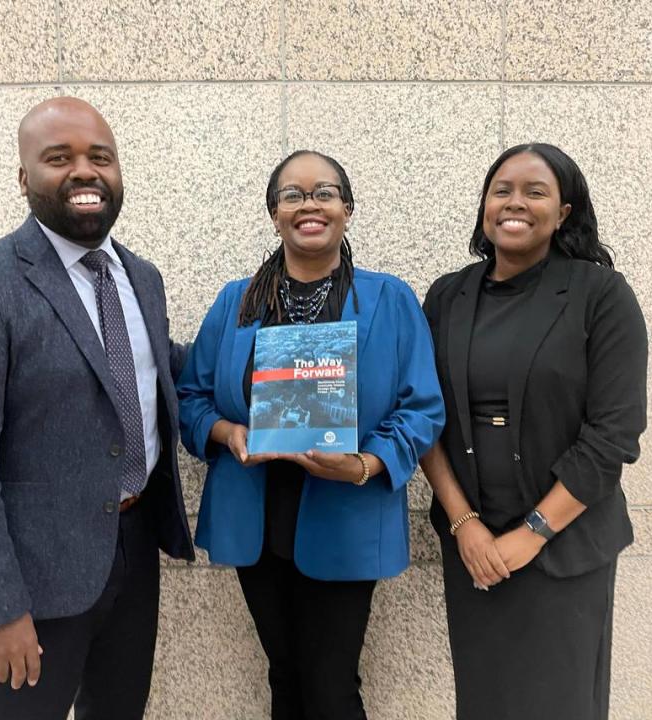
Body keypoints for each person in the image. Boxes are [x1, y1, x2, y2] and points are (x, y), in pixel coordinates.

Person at [0, 97, 193, 720]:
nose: (84, 172)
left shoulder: (141, 276)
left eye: (100, 157)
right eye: (58, 158)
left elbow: (161, 367)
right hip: (32, 576)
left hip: (134, 544)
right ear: (24, 178)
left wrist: (280, 364)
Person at [177, 150, 445, 719]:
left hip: (346, 514)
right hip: (256, 518)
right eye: (292, 195)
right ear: (275, 214)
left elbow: (421, 408)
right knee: (284, 676)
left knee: (330, 688)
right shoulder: (235, 302)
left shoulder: (389, 298)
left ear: (347, 209)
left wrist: (367, 464)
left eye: (324, 192)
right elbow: (192, 399)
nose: (309, 204)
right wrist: (228, 433)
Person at [420, 143, 648, 719]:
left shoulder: (602, 296)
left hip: (564, 550)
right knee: (485, 703)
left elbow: (613, 436)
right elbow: (425, 416)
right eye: (502, 191)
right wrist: (464, 523)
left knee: (558, 705)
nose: (514, 203)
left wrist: (532, 533)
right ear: (484, 206)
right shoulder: (449, 295)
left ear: (565, 211)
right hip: (473, 549)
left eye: (535, 191)